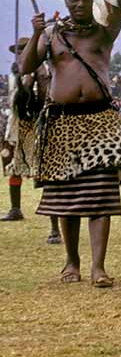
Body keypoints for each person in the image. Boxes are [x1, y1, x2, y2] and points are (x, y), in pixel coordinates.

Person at [19, 0, 121, 287]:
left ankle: (98, 267)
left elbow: (116, 7)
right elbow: (25, 66)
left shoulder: (104, 33)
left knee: (100, 196)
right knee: (67, 198)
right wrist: (35, 33)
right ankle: (71, 262)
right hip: (63, 124)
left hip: (100, 123)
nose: (79, 3)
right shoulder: (51, 35)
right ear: (65, 1)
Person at [3, 37, 62, 244]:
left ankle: (55, 229)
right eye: (18, 50)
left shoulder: (42, 69)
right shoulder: (16, 70)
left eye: (23, 49)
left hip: (38, 123)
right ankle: (15, 208)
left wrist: (25, 81)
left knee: (45, 171)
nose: (20, 53)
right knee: (13, 166)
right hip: (18, 124)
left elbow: (40, 95)